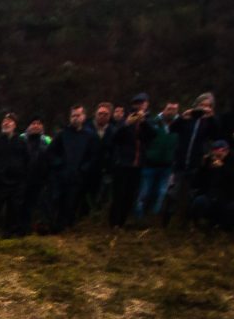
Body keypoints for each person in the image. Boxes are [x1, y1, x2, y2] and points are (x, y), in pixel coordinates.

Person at [168, 94, 220, 224]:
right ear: (196, 105)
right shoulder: (188, 118)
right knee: (173, 192)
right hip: (179, 161)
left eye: (207, 106)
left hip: (196, 162)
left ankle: (187, 220)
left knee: (191, 193)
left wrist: (211, 117)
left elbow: (216, 135)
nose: (204, 108)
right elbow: (172, 128)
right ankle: (167, 219)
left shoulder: (208, 122)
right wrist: (182, 117)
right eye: (202, 105)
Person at [51, 105, 100, 232]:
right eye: (73, 116)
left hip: (78, 176)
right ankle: (56, 226)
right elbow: (52, 152)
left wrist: (83, 169)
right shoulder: (62, 134)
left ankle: (68, 226)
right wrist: (59, 164)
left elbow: (93, 156)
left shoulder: (90, 136)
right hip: (62, 175)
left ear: (84, 117)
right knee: (58, 201)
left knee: (72, 202)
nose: (75, 118)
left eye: (78, 115)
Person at [108, 94, 154, 228]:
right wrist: (127, 124)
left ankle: (122, 222)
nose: (140, 106)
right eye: (137, 103)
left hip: (138, 164)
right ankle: (114, 223)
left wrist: (143, 122)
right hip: (122, 163)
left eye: (142, 103)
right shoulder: (125, 119)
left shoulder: (148, 121)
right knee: (119, 194)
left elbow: (152, 135)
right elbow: (115, 137)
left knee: (130, 195)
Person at [0, 114, 29, 237]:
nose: (6, 123)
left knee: (14, 209)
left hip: (16, 183)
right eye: (4, 121)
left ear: (14, 125)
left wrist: (23, 180)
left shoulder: (21, 142)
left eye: (9, 121)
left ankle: (11, 232)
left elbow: (27, 161)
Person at [188, 140, 234, 229]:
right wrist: (203, 167)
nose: (216, 158)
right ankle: (199, 223)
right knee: (199, 202)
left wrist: (222, 168)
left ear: (226, 152)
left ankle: (223, 225)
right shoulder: (208, 162)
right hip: (209, 197)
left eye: (219, 155)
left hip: (227, 199)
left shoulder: (233, 162)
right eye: (214, 155)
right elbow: (196, 182)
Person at [136, 101, 179, 220]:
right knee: (144, 193)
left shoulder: (179, 125)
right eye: (169, 109)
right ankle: (139, 217)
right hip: (150, 163)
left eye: (174, 109)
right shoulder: (153, 122)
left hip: (167, 165)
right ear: (164, 109)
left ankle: (154, 219)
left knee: (161, 194)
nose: (171, 112)